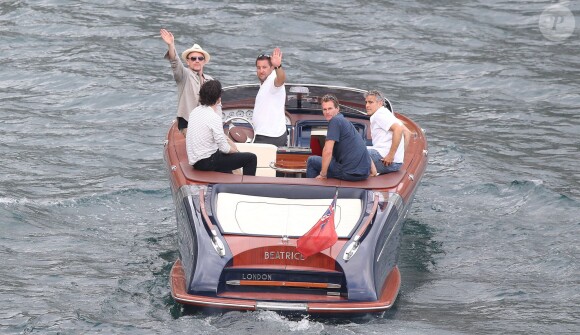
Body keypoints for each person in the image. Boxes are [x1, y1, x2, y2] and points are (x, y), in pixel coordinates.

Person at [186, 80, 257, 175]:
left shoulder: (194, 112)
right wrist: (235, 151)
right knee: (251, 158)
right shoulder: (213, 117)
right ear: (219, 98)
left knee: (226, 162)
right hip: (208, 162)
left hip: (196, 162)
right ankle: (248, 188)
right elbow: (224, 148)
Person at [160, 28, 213, 136]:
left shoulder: (210, 80)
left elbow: (217, 103)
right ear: (188, 62)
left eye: (200, 58)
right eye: (193, 58)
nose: (197, 60)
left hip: (206, 124)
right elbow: (175, 62)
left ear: (204, 61)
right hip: (188, 124)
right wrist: (171, 45)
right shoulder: (184, 75)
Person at [306, 94, 371, 181]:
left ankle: (312, 190)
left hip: (349, 173)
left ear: (337, 109)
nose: (327, 112)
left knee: (312, 160)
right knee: (331, 160)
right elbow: (363, 147)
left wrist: (323, 174)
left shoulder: (335, 121)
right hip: (363, 173)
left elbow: (328, 151)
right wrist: (373, 172)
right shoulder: (345, 122)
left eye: (330, 108)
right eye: (324, 109)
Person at [364, 90, 406, 176]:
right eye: (366, 102)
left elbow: (398, 129)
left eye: (370, 102)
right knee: (358, 146)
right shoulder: (386, 113)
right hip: (396, 163)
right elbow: (407, 133)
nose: (367, 105)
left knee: (349, 150)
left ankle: (373, 172)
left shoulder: (379, 115)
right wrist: (400, 155)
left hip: (387, 162)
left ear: (380, 103)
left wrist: (391, 155)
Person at [252, 48, 287, 147]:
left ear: (272, 68)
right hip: (264, 134)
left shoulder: (273, 81)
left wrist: (278, 66)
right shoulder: (264, 83)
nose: (261, 71)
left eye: (264, 67)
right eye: (258, 68)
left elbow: (281, 79)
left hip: (270, 137)